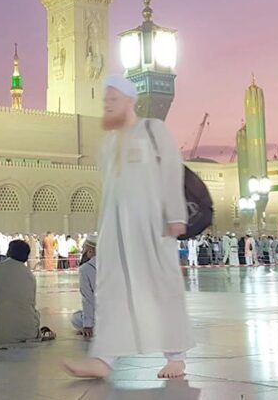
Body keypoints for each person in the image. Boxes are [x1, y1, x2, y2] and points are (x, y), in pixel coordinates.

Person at [64, 75, 194, 380]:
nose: (108, 105)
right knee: (111, 292)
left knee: (161, 289)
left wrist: (175, 215)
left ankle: (176, 356)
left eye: (113, 100)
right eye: (105, 101)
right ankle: (103, 359)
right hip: (116, 231)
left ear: (130, 101)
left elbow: (171, 169)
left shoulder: (153, 130)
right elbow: (111, 190)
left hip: (152, 227)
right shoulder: (108, 143)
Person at [71, 234, 98, 337]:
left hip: (100, 316)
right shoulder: (114, 264)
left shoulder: (85, 269)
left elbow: (87, 298)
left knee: (75, 318)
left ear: (90, 251)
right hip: (119, 315)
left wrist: (88, 326)